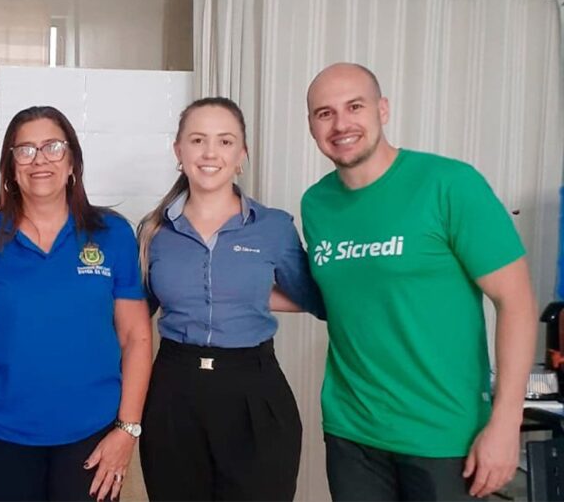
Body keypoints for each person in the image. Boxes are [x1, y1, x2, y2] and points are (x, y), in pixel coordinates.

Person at [301, 62, 537, 501]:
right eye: (325, 113)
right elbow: (341, 295)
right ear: (312, 126)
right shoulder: (316, 204)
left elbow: (517, 302)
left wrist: (507, 421)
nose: (341, 124)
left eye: (355, 106)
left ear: (383, 109)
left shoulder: (450, 184)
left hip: (444, 434)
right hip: (352, 432)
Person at [0, 106, 152, 502]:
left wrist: (128, 430)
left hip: (93, 433)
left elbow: (136, 337)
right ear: (10, 168)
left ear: (72, 161)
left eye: (52, 147)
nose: (39, 160)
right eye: (24, 150)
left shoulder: (111, 234)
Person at [135, 97, 324, 501]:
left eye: (224, 141)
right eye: (197, 140)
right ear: (178, 151)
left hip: (253, 392)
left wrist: (246, 295)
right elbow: (132, 321)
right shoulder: (154, 231)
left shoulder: (273, 227)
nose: (210, 153)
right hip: (173, 393)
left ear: (241, 154)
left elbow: (314, 298)